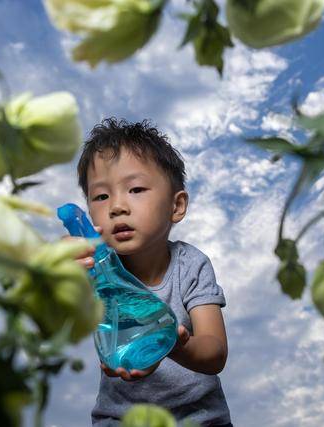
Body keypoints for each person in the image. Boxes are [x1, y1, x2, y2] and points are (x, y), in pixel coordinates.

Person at [70, 118, 232, 427]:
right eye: (101, 196)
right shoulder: (95, 269)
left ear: (177, 206)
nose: (117, 206)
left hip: (200, 419)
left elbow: (215, 353)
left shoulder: (190, 264)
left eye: (136, 189)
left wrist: (173, 342)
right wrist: (59, 265)